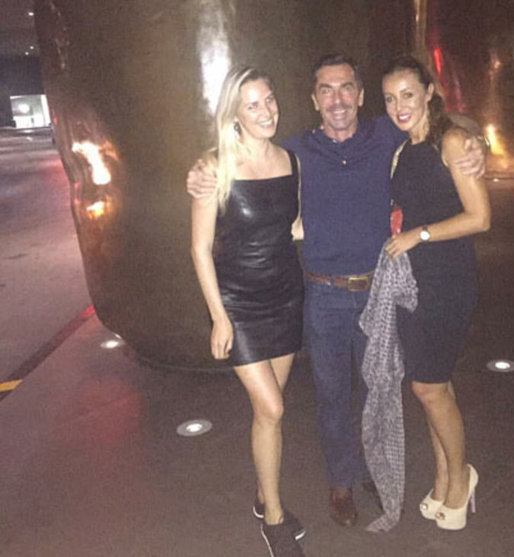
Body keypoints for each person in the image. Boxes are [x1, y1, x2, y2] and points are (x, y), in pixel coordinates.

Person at [187, 53, 485, 528]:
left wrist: (476, 142)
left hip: (377, 291)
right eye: (326, 90)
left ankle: (370, 470)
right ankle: (340, 481)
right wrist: (201, 170)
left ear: (362, 96)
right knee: (331, 395)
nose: (338, 99)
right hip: (321, 294)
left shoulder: (386, 134)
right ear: (314, 100)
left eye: (347, 88)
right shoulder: (295, 151)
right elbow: (239, 153)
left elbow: (443, 125)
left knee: (377, 390)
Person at [190, 66, 306, 557]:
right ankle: (274, 518)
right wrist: (219, 316)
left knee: (268, 411)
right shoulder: (214, 167)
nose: (266, 111)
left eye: (270, 99)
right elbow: (200, 248)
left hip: (286, 297)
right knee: (273, 409)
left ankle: (263, 495)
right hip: (239, 304)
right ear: (235, 114)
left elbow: (293, 225)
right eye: (253, 104)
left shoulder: (290, 160)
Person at [382, 55, 491, 531]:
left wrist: (419, 235)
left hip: (447, 279)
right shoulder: (403, 149)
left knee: (428, 386)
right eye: (390, 98)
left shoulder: (453, 141)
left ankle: (462, 475)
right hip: (412, 282)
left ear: (429, 92)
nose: (399, 106)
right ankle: (444, 474)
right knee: (433, 385)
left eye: (408, 94)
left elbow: (480, 217)